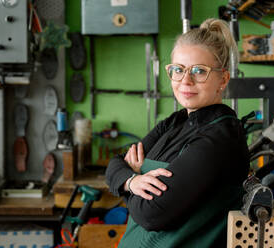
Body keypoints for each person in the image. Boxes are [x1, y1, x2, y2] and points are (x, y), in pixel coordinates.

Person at [106, 18, 250, 248]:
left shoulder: (220, 139)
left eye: (199, 71)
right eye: (178, 70)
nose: (186, 80)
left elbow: (151, 214)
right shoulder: (176, 121)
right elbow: (114, 163)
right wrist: (133, 182)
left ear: (222, 79)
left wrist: (124, 182)